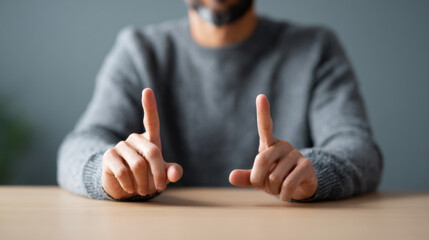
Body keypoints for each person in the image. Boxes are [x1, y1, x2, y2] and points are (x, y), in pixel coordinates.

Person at [57, 0, 383, 202]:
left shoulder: (315, 49)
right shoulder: (139, 50)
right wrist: (108, 172)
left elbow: (359, 149)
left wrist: (313, 174)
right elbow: (79, 145)